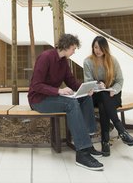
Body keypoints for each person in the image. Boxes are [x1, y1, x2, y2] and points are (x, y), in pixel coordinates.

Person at [28, 33, 104, 171]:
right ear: (67, 46)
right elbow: (36, 85)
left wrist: (87, 89)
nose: (74, 52)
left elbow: (72, 82)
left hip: (51, 97)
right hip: (38, 99)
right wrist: (59, 91)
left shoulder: (64, 62)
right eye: (73, 49)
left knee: (86, 98)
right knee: (71, 104)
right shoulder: (46, 57)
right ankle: (82, 153)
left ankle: (87, 142)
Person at [83, 36, 133, 156]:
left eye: (100, 48)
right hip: (96, 95)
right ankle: (122, 131)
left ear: (105, 49)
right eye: (96, 47)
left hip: (112, 94)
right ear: (93, 47)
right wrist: (98, 85)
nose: (97, 50)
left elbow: (120, 80)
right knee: (103, 96)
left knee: (104, 106)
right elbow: (88, 81)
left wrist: (114, 89)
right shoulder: (88, 61)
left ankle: (105, 142)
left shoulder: (113, 60)